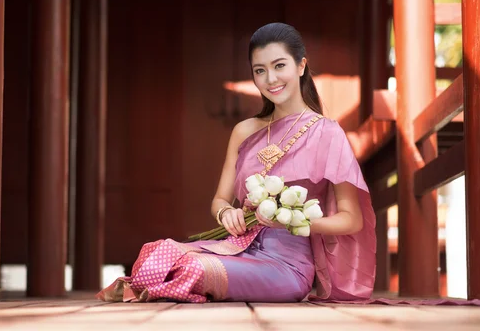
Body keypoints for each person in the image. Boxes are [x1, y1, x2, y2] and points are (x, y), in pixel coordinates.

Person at [96, 22, 376, 303]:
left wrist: (292, 222)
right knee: (156, 251)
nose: (271, 79)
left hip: (287, 267)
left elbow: (351, 220)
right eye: (260, 71)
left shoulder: (327, 132)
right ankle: (161, 285)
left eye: (280, 66)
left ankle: (162, 286)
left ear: (301, 66)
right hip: (237, 247)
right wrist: (225, 214)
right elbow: (220, 199)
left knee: (191, 267)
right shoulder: (245, 130)